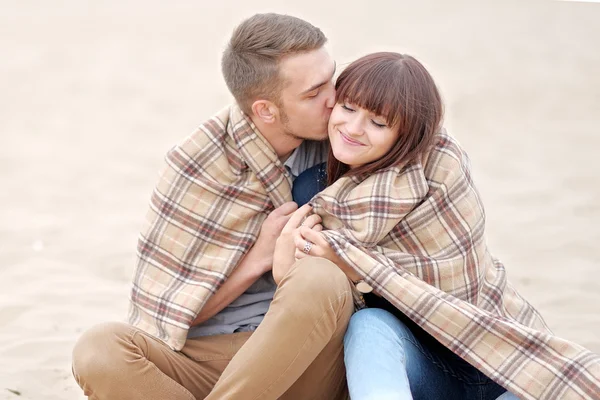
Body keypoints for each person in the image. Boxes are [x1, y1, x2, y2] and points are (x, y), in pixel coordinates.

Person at [278, 52, 600, 399]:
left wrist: (352, 263)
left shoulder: (441, 171)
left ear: (406, 133)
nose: (354, 129)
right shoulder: (316, 191)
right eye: (348, 108)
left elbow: (459, 280)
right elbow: (319, 302)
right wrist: (287, 264)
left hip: (498, 369)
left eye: (379, 123)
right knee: (369, 325)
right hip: (422, 367)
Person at [71, 13, 355, 400]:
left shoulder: (351, 138)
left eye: (332, 78)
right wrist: (259, 256)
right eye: (313, 93)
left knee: (322, 280)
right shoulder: (197, 164)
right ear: (265, 110)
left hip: (307, 356)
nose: (335, 100)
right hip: (212, 360)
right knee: (98, 349)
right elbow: (169, 315)